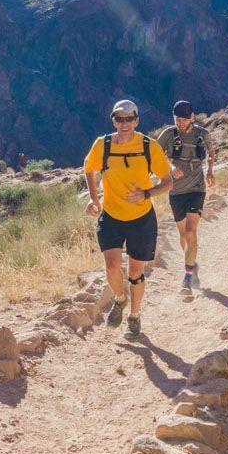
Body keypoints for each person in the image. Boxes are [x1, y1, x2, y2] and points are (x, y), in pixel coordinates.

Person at [84, 99, 173, 338]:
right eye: (119, 119)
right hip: (111, 216)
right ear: (113, 120)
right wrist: (95, 199)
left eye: (129, 119)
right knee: (112, 268)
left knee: (135, 272)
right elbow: (88, 167)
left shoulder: (148, 146)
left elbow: (167, 182)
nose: (124, 123)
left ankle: (134, 316)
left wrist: (146, 193)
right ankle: (120, 299)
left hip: (141, 218)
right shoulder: (102, 145)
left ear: (137, 120)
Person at [157, 100, 216, 296]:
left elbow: (211, 152)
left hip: (197, 187)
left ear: (191, 116)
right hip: (176, 190)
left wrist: (210, 172)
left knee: (191, 232)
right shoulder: (168, 135)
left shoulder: (202, 134)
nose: (180, 123)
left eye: (184, 119)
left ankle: (187, 277)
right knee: (183, 236)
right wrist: (170, 167)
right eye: (177, 119)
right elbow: (155, 156)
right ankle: (192, 264)